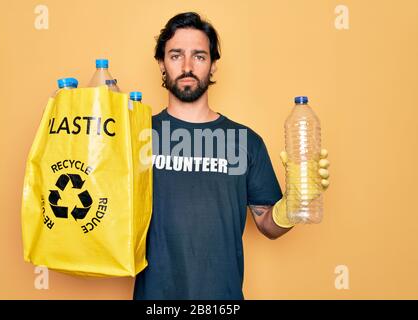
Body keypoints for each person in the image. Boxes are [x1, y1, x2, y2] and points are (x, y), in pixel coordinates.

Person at [133, 12, 330, 300]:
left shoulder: (245, 141)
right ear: (162, 64)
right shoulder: (137, 135)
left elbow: (267, 225)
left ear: (213, 66)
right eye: (176, 56)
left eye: (199, 56)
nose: (187, 66)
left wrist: (291, 208)